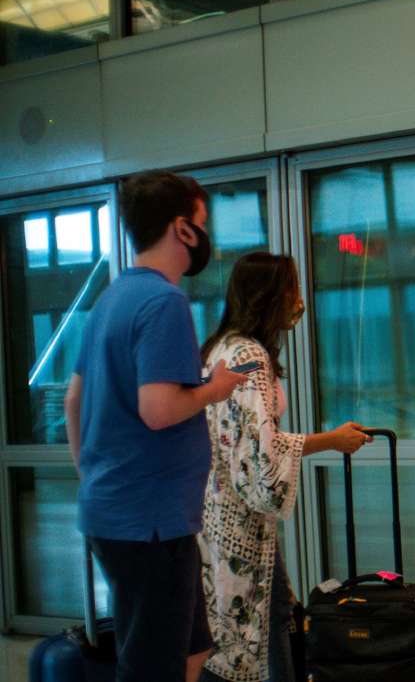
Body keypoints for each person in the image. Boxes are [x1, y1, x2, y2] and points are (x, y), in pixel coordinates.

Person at [65, 171, 249, 682]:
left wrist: (96, 478)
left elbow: (74, 401)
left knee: (191, 650)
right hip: (151, 522)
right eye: (202, 222)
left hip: (127, 513)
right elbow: (158, 409)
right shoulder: (164, 302)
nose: (206, 234)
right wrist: (215, 387)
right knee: (152, 667)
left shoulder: (109, 300)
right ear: (182, 229)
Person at [196, 253, 371, 682]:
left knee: (236, 627)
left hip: (214, 513)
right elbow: (261, 456)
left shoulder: (220, 347)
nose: (299, 300)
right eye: (291, 289)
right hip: (242, 525)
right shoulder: (251, 360)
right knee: (263, 624)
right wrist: (332, 440)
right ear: (270, 296)